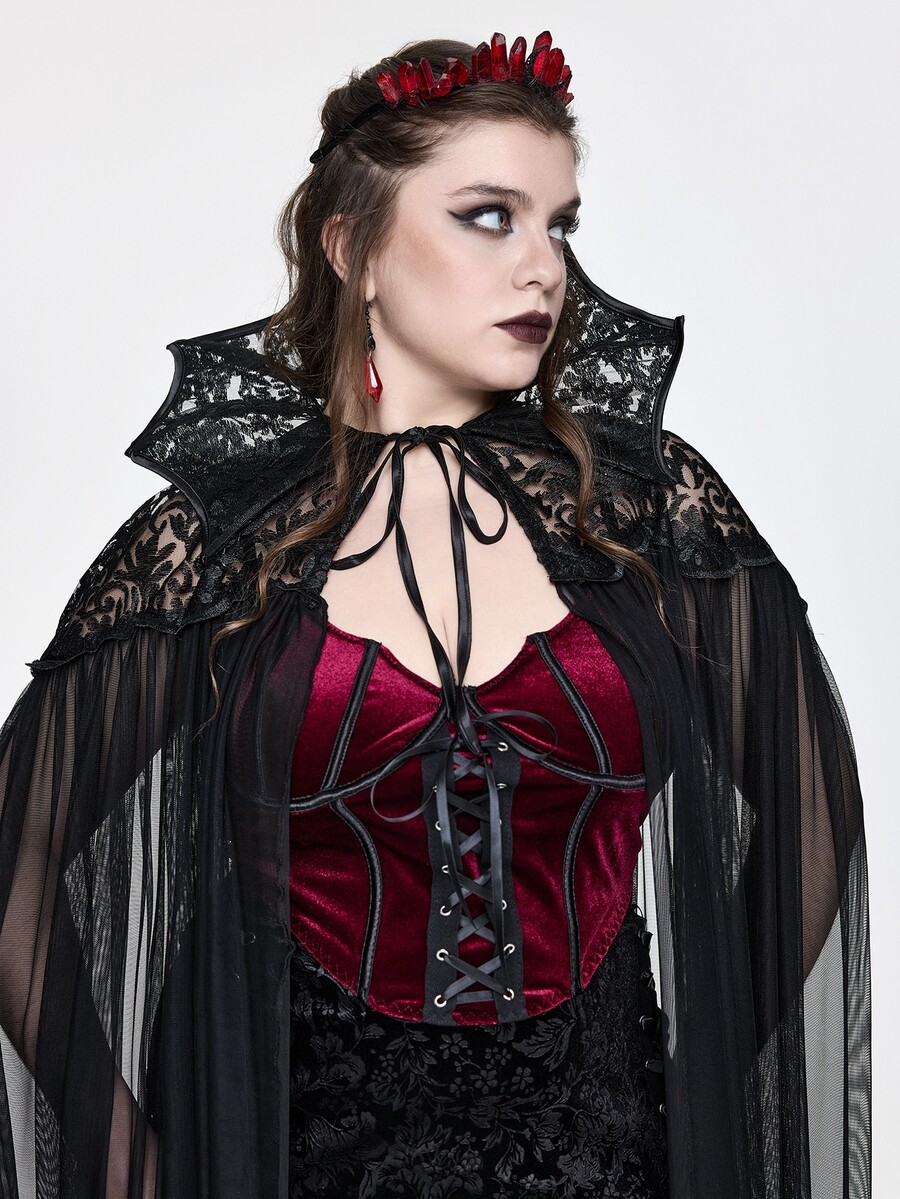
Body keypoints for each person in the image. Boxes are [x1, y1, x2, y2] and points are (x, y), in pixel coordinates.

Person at [0, 29, 870, 1199]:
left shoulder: (643, 509)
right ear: (352, 246)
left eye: (559, 223)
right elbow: (15, 858)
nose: (543, 267)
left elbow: (812, 811)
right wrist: (129, 1161)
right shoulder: (222, 538)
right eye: (489, 217)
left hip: (606, 1167)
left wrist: (692, 1088)